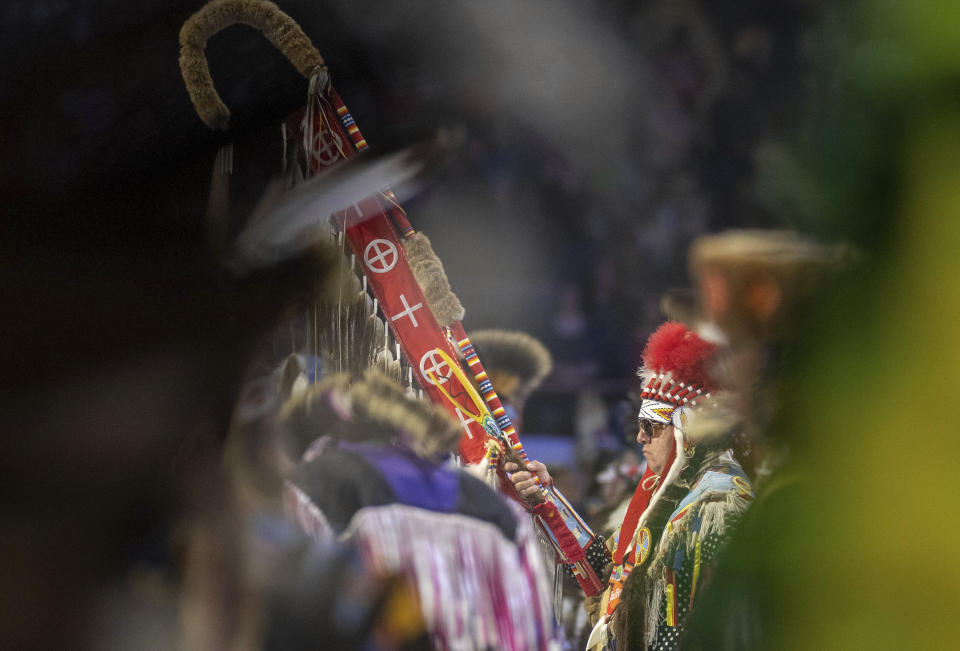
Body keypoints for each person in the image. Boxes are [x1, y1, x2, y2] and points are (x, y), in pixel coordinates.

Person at [508, 321, 752, 650]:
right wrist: (547, 497)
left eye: (651, 426)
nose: (641, 437)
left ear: (687, 430)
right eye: (640, 426)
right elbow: (610, 573)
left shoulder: (719, 502)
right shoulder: (664, 495)